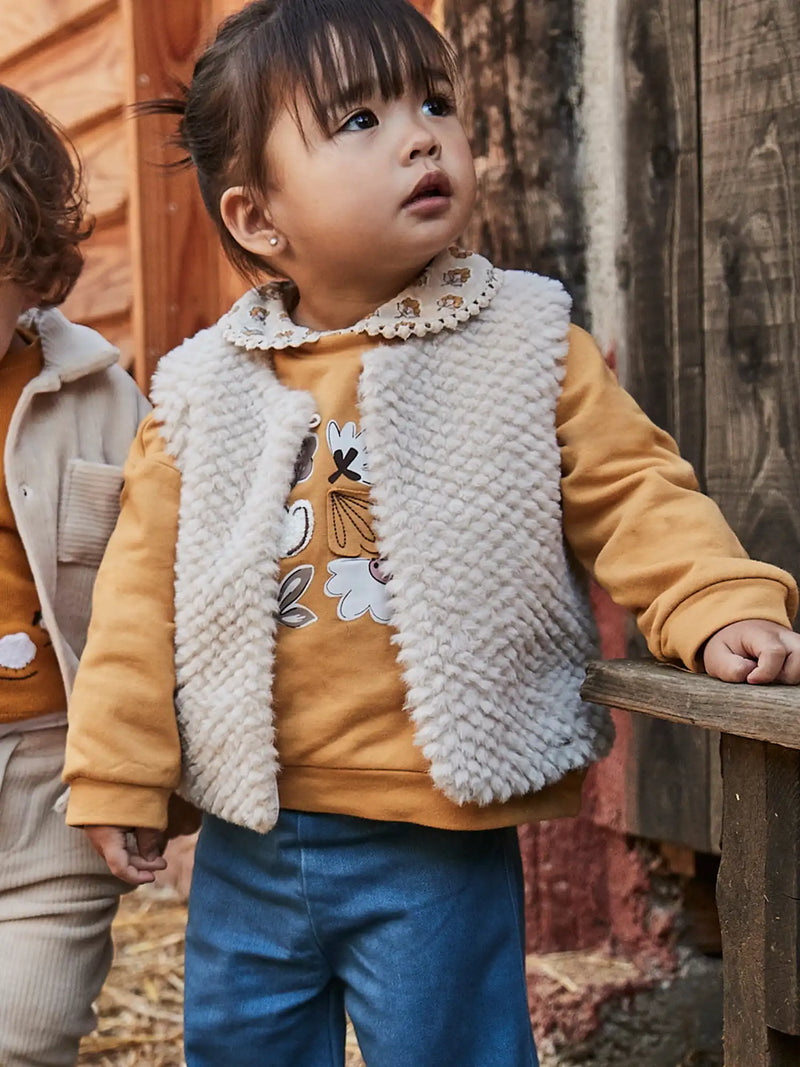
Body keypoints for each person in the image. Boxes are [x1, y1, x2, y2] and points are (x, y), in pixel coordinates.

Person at [63, 1, 800, 1064]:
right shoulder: (201, 390)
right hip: (248, 827)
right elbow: (141, 597)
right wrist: (120, 770)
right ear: (260, 218)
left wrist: (716, 599)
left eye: (435, 104)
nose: (420, 135)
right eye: (358, 119)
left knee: (451, 1045)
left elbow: (633, 488)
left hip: (432, 830)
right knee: (238, 1049)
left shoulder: (522, 342)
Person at [0, 86, 150, 1066]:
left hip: (57, 776)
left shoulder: (96, 393)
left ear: (27, 268)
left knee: (29, 1022)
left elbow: (154, 580)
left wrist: (129, 767)